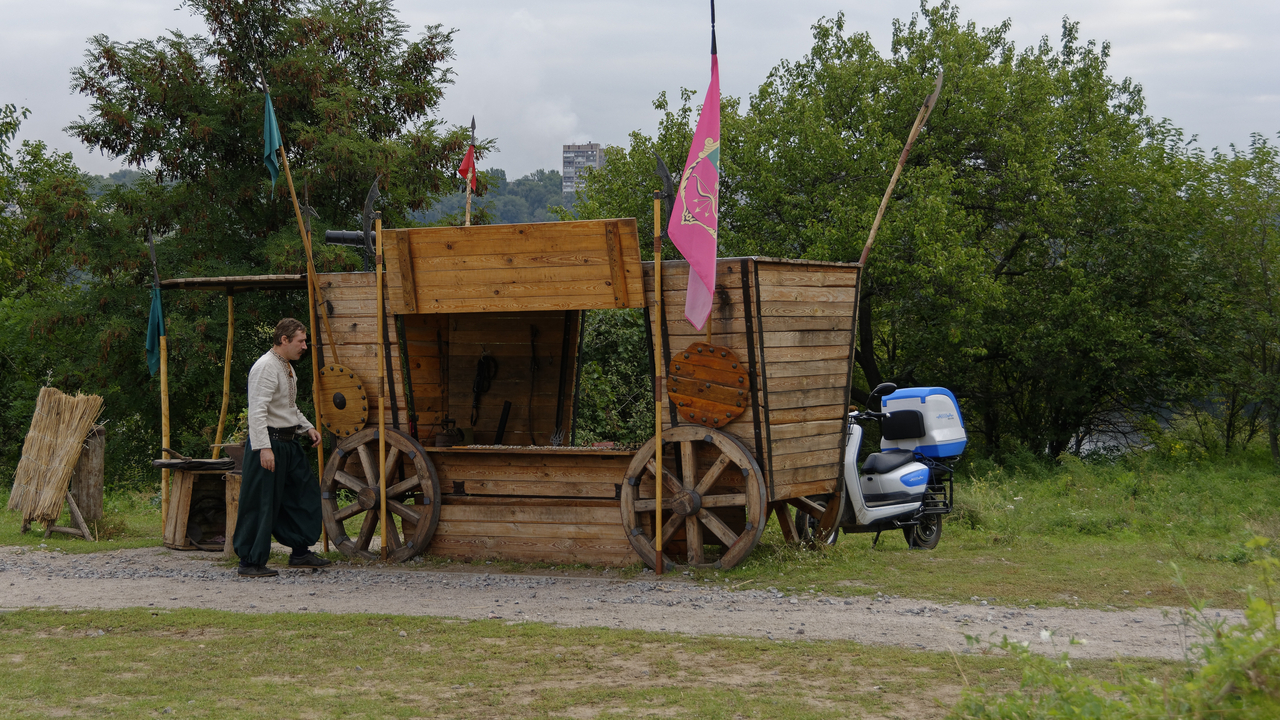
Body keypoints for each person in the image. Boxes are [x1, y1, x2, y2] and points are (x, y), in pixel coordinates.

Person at [233, 317, 332, 577]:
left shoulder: (286, 366)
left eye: (305, 341)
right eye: (301, 341)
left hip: (288, 443)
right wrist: (263, 448)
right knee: (261, 502)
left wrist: (307, 426)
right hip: (269, 444)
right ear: (284, 340)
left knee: (302, 495)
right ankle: (250, 562)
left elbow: (287, 406)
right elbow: (257, 411)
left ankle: (300, 552)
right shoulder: (266, 366)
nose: (305, 346)